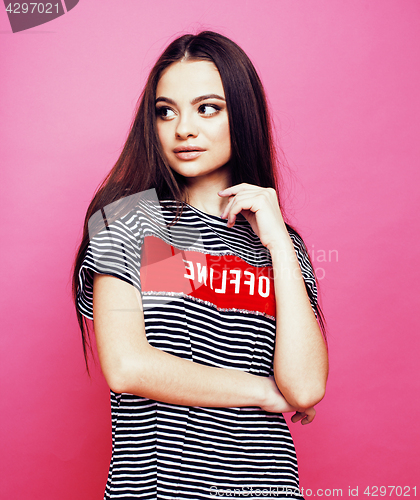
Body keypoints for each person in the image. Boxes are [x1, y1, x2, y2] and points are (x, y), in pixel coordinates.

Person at [73, 31, 328, 500]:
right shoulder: (128, 221)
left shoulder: (282, 247)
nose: (182, 129)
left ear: (243, 114)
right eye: (166, 111)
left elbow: (306, 386)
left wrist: (277, 241)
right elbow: (128, 366)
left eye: (207, 108)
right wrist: (263, 392)